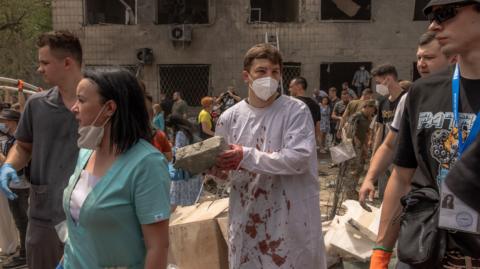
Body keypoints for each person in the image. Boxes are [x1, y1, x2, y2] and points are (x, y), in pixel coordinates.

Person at [370, 1, 480, 267]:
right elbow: (402, 175)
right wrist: (382, 251)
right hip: (429, 251)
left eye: (445, 13)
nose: (434, 25)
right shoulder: (421, 93)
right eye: (431, 16)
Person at [212, 43, 326, 268]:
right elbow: (225, 173)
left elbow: (299, 159)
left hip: (290, 219)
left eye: (275, 71)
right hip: (249, 218)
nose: (269, 77)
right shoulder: (229, 118)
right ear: (247, 76)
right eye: (261, 71)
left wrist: (246, 156)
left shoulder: (296, 111)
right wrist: (213, 170)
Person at [62, 69, 170, 268]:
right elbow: (78, 224)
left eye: (82, 100)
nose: (74, 108)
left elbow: (158, 247)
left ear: (109, 108)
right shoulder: (86, 153)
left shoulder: (147, 164)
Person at [0, 30, 82, 269]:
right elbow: (23, 146)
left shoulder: (101, 103)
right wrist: (9, 166)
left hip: (87, 219)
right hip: (43, 216)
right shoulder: (38, 105)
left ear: (67, 62)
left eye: (45, 62)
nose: (39, 69)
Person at [359, 31, 453, 205]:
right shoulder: (411, 98)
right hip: (420, 195)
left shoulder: (465, 95)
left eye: (429, 58)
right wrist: (370, 178)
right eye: (419, 58)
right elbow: (388, 144)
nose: (421, 64)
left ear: (452, 58)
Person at [0, 109, 30, 269]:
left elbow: (13, 163)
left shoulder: (19, 142)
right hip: (13, 185)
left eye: (4, 120)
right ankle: (23, 251)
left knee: (22, 220)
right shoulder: (11, 139)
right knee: (19, 220)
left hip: (20, 185)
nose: (2, 123)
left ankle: (24, 254)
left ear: (13, 122)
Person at [166, 115, 203, 211]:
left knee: (176, 194)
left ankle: (171, 216)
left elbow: (178, 151)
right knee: (191, 195)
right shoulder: (188, 131)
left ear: (174, 126)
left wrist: (171, 148)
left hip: (183, 169)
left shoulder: (180, 134)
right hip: (193, 166)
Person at [342, 100, 377, 200]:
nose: (372, 112)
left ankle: (352, 189)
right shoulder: (357, 116)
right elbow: (348, 128)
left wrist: (365, 147)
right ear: (367, 107)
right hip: (353, 146)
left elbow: (366, 133)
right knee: (353, 168)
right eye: (372, 109)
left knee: (360, 167)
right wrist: (355, 140)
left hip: (360, 146)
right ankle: (349, 192)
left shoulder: (366, 118)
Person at [289, 76, 321, 146]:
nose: (289, 89)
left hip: (292, 143)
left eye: (291, 87)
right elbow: (317, 127)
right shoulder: (315, 104)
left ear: (299, 86)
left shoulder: (290, 103)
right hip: (308, 143)